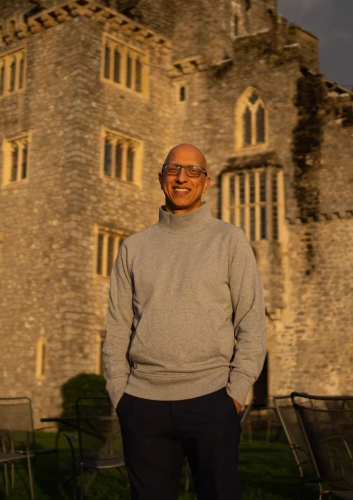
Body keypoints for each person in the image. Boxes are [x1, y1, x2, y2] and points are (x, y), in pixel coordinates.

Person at [102, 143, 267, 500]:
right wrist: (120, 393)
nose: (182, 178)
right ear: (161, 178)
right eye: (174, 170)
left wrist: (235, 395)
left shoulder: (229, 240)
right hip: (143, 403)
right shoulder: (134, 247)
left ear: (205, 182)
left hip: (212, 400)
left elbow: (252, 322)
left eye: (192, 171)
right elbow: (117, 325)